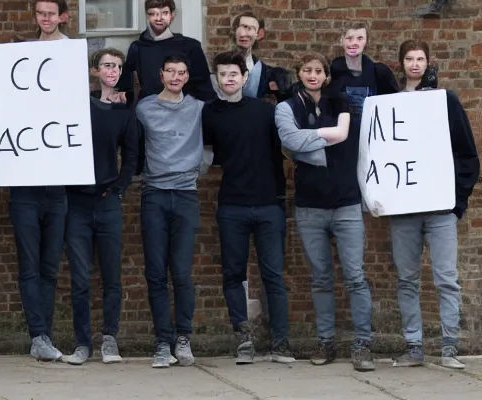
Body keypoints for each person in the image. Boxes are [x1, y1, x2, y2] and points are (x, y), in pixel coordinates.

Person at [274, 54, 373, 371]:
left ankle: (362, 344)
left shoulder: (340, 101)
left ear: (326, 75)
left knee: (355, 277)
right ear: (299, 74)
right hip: (309, 207)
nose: (313, 75)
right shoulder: (288, 107)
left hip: (346, 204)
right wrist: (320, 137)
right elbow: (288, 140)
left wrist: (307, 142)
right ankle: (326, 342)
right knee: (320, 279)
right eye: (307, 70)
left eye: (318, 71)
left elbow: (342, 135)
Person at [388, 41, 478, 369]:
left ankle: (450, 347)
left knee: (446, 277)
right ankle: (414, 346)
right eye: (409, 59)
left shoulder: (446, 102)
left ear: (428, 63)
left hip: (441, 208)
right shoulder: (391, 106)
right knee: (407, 278)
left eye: (420, 59)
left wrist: (457, 201)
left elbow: (468, 154)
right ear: (402, 64)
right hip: (404, 210)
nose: (415, 64)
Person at [203, 52, 293, 364]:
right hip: (231, 206)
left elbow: (287, 149)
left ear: (244, 77)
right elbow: (205, 154)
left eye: (234, 74)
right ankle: (243, 339)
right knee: (233, 275)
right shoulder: (210, 114)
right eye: (223, 74)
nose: (229, 79)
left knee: (273, 277)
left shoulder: (266, 112)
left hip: (269, 205)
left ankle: (280, 343)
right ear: (217, 79)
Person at [62, 48, 138, 366]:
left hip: (107, 203)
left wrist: (118, 190)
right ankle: (82, 344)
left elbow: (132, 157)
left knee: (111, 278)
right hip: (76, 204)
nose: (113, 70)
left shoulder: (125, 113)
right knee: (80, 279)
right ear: (95, 71)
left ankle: (109, 339)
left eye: (118, 66)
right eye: (107, 65)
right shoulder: (77, 106)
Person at [8, 0, 72, 361]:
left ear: (63, 17)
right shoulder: (22, 57)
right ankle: (38, 335)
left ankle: (44, 334)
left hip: (58, 180)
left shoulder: (71, 54)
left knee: (49, 265)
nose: (45, 19)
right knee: (30, 264)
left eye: (51, 14)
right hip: (25, 178)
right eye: (40, 14)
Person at [135, 55, 207, 369]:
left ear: (187, 76)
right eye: (170, 72)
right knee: (155, 273)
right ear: (161, 74)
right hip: (154, 194)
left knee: (181, 273)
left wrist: (195, 171)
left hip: (187, 195)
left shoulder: (199, 109)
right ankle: (162, 342)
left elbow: (212, 144)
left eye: (182, 72)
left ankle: (183, 338)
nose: (176, 76)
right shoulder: (144, 108)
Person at [115, 0, 214, 104]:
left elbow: (203, 86)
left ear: (172, 15)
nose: (159, 18)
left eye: (164, 13)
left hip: (183, 110)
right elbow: (126, 86)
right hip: (149, 110)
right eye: (153, 14)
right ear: (147, 16)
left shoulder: (190, 46)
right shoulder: (137, 47)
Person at [328, 23, 398, 124]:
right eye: (349, 38)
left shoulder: (379, 72)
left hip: (370, 133)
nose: (354, 43)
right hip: (341, 135)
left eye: (360, 38)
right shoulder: (332, 71)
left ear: (366, 42)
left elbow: (393, 105)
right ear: (341, 40)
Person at [228, 12, 290, 100]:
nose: (244, 34)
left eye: (250, 29)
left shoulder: (268, 74)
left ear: (259, 34)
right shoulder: (221, 66)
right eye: (241, 28)